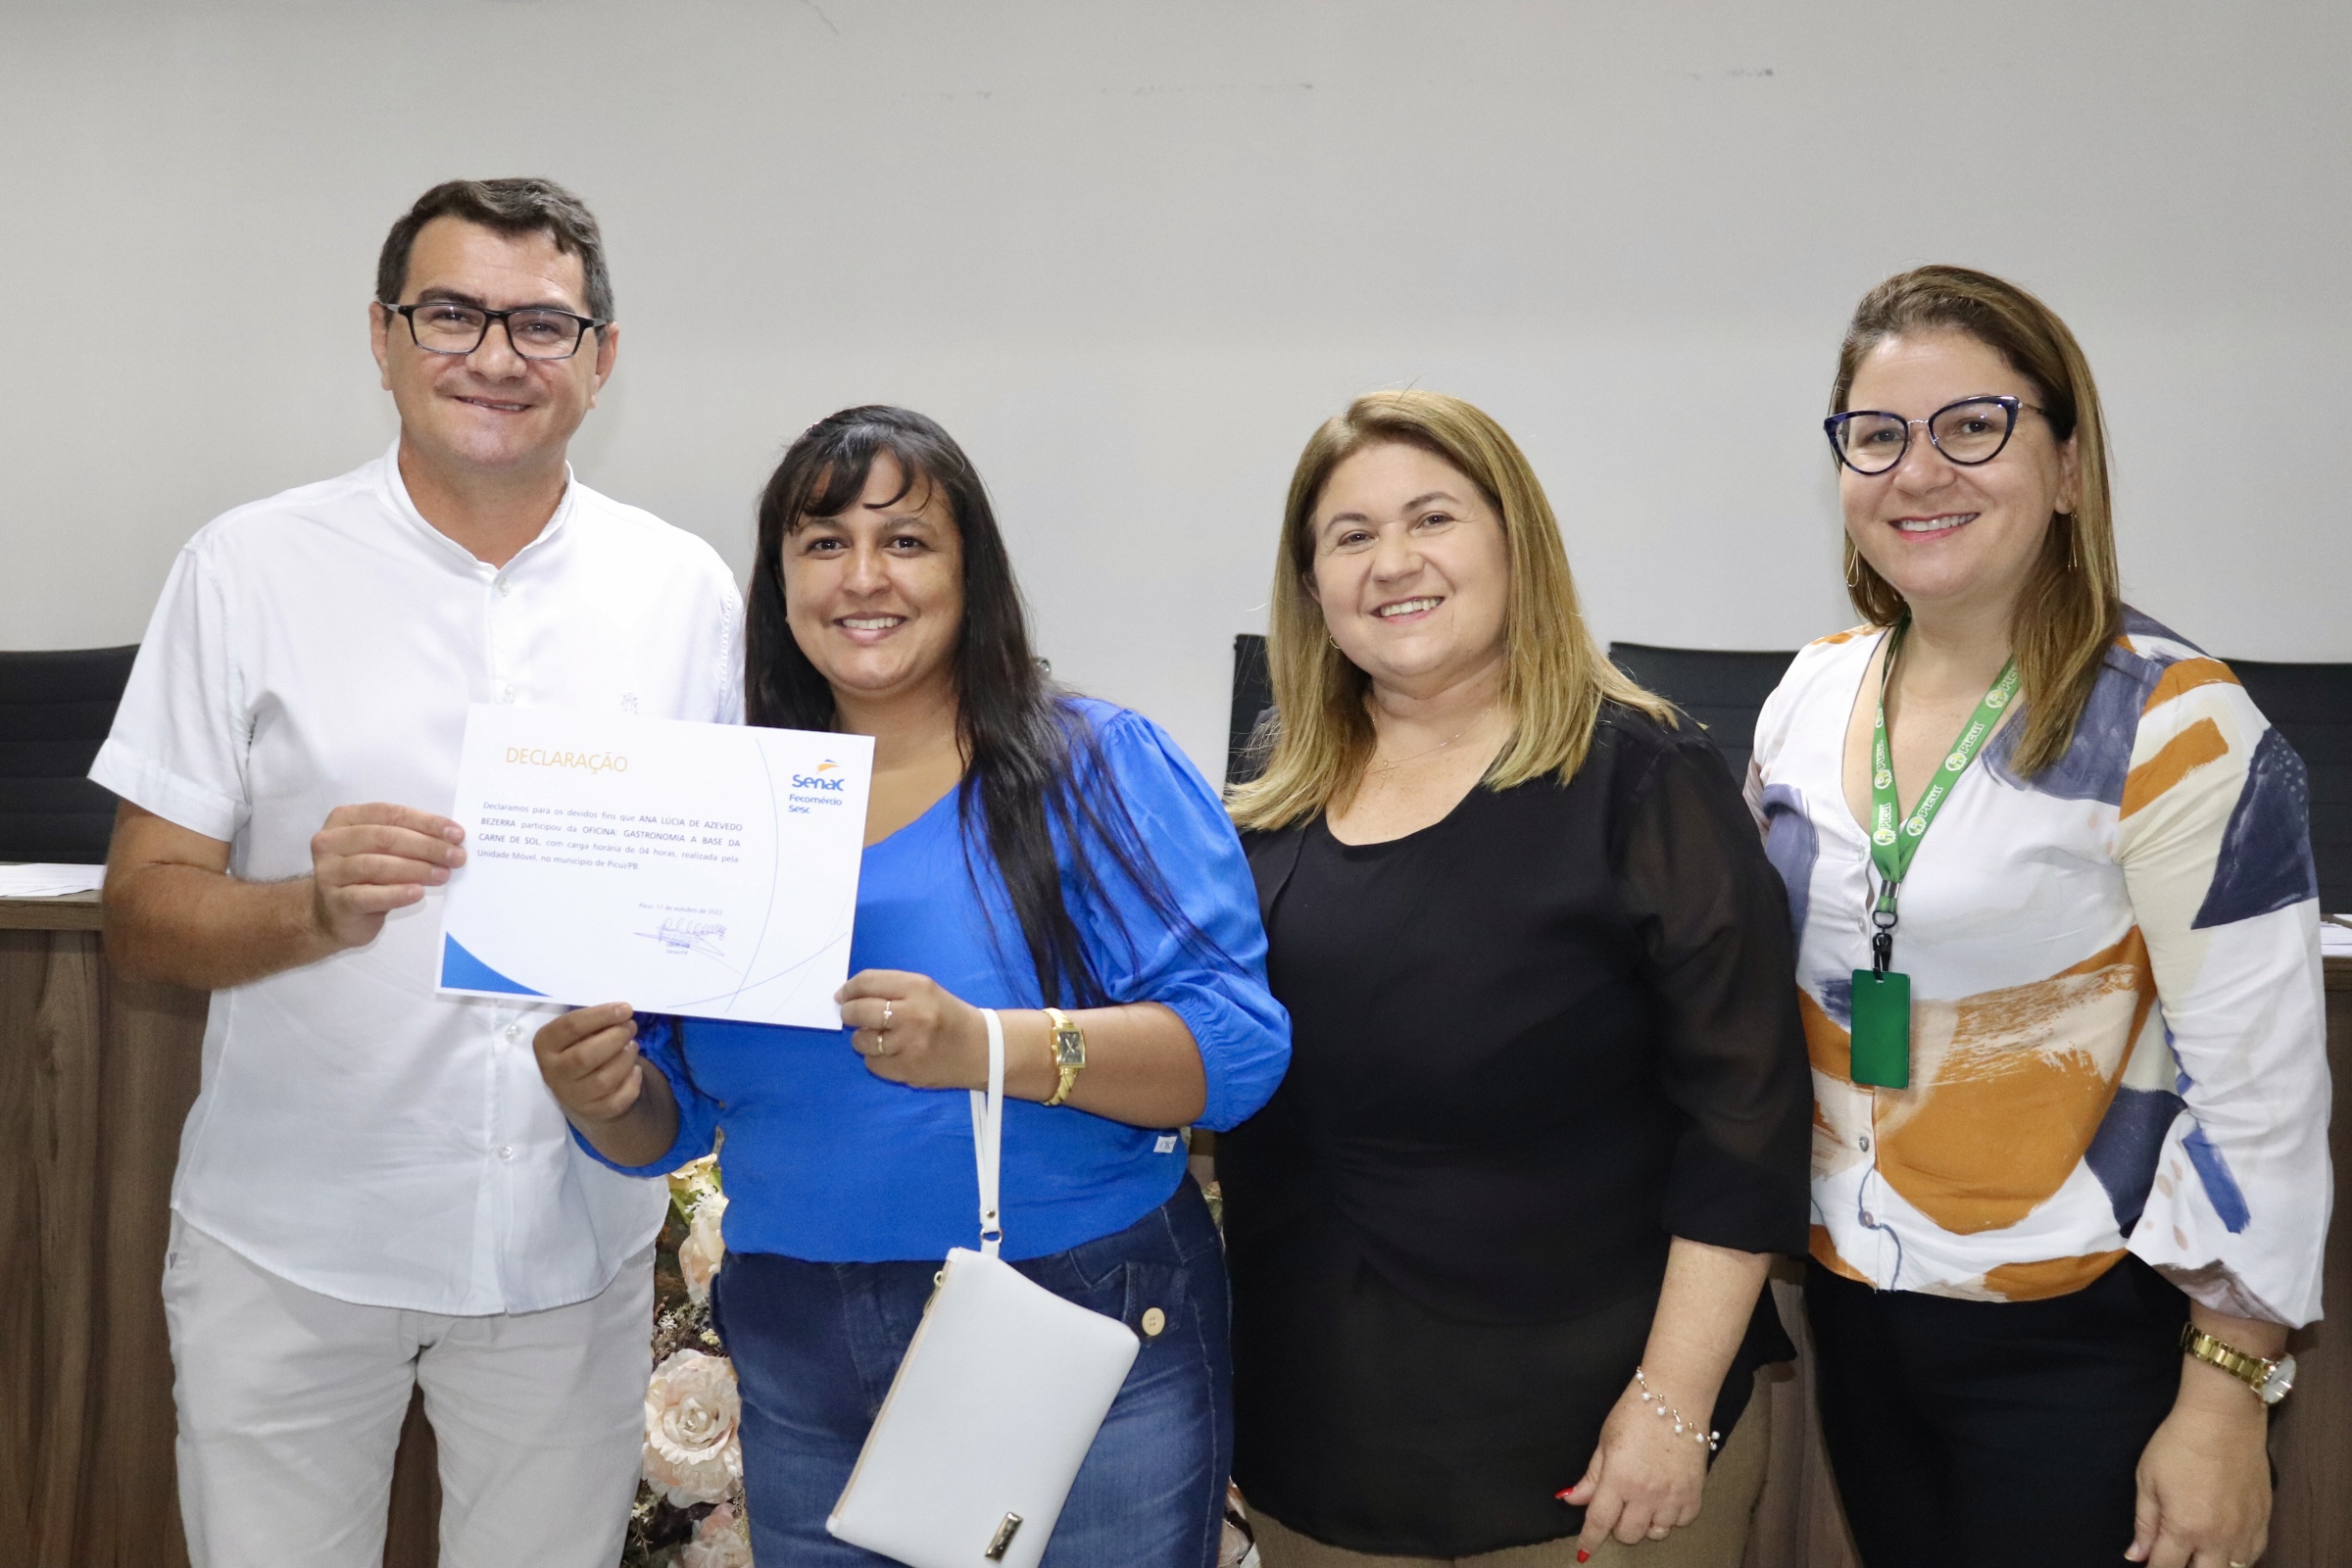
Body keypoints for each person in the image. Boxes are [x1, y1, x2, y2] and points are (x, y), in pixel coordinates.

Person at [91, 177, 743, 1568]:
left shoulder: (682, 589)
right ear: (383, 337)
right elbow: (140, 911)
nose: (496, 356)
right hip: (294, 1243)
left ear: (601, 360)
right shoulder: (246, 567)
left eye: (542, 325)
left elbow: (720, 906)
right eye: (452, 314)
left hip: (568, 1248)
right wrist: (306, 908)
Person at [534, 405, 1291, 1567]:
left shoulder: (1094, 763)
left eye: (905, 540)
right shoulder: (730, 804)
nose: (862, 576)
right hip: (800, 1344)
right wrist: (603, 1094)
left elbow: (1233, 1052)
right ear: (781, 582)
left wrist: (988, 1043)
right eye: (823, 543)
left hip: (1068, 1318)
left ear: (969, 571)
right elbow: (666, 1124)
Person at [1748, 265, 2330, 1568]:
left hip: (2086, 1332)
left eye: (1974, 426)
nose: (1918, 471)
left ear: (2067, 468)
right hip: (1856, 1305)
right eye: (1877, 434)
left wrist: (2229, 1390)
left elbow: (2264, 1095)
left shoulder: (2175, 721)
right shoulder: (1810, 695)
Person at [1216, 389, 1813, 1567]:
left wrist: (1672, 1405)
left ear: (1513, 542)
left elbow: (1746, 1120)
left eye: (1432, 518)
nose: (1394, 561)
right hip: (1319, 1456)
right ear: (1312, 586)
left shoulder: (1642, 779)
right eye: (1350, 534)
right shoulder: (1266, 809)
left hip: (1594, 1458)